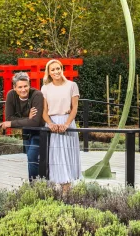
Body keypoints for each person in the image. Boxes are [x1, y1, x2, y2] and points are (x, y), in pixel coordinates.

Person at [41, 58, 81, 191]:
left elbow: (74, 108)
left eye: (58, 68)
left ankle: (66, 191)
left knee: (67, 157)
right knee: (55, 157)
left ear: (61, 69)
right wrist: (50, 124)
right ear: (49, 72)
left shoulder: (72, 85)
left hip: (67, 123)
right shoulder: (45, 88)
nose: (56, 71)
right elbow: (44, 111)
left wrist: (67, 124)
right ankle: (55, 190)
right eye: (53, 69)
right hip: (52, 125)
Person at [0, 72, 44, 183]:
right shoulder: (11, 95)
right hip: (26, 132)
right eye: (20, 87)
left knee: (32, 157)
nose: (23, 89)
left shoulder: (37, 95)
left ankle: (35, 187)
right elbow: (9, 117)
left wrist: (14, 122)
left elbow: (35, 122)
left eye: (25, 86)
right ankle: (39, 185)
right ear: (14, 88)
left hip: (40, 132)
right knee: (32, 159)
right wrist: (27, 119)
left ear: (29, 85)